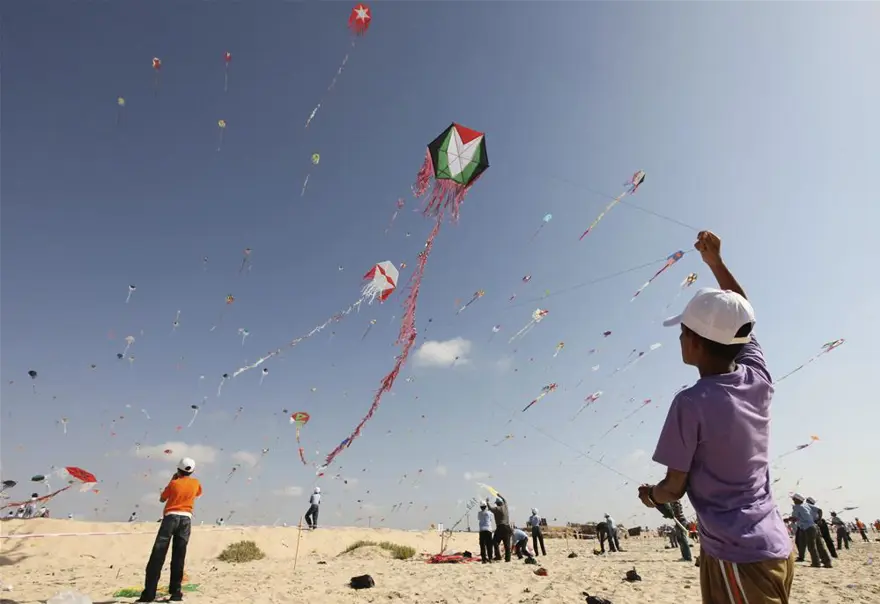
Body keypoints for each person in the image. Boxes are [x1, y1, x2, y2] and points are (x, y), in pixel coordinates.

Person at [639, 231, 795, 603]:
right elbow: (740, 317)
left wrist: (652, 497)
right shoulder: (758, 378)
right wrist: (716, 263)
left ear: (694, 341)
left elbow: (673, 487)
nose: (679, 339)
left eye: (682, 332)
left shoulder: (691, 402)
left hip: (738, 556)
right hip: (775, 546)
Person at [138, 457, 202, 603]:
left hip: (170, 518)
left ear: (178, 469)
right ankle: (176, 593)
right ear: (192, 471)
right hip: (186, 519)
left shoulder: (174, 483)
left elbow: (162, 498)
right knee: (179, 556)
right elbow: (197, 494)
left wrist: (174, 480)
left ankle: (149, 594)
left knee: (158, 555)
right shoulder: (196, 483)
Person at [789, 493, 832, 568]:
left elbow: (794, 518)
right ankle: (827, 562)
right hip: (814, 526)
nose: (793, 501)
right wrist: (819, 519)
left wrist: (789, 519)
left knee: (811, 546)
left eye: (794, 499)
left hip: (807, 528)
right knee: (820, 545)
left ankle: (816, 563)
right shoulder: (807, 505)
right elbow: (819, 510)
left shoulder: (797, 507)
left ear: (797, 500)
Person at [486, 495, 511, 562]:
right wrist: (499, 495)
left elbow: (490, 508)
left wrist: (487, 502)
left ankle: (498, 556)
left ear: (497, 503)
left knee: (495, 542)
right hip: (507, 527)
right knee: (507, 544)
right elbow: (505, 500)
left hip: (500, 527)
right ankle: (508, 559)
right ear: (501, 502)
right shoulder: (505, 506)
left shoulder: (496, 509)